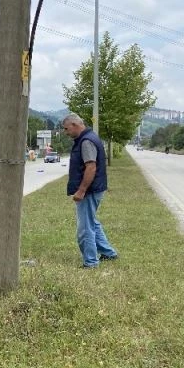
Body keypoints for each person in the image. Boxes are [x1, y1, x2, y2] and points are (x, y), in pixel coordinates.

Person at [62, 113, 118, 268]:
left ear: (75, 125)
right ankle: (108, 252)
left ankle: (91, 262)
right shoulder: (89, 137)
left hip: (89, 191)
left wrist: (81, 190)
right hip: (94, 189)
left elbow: (91, 167)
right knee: (92, 223)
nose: (66, 133)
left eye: (67, 129)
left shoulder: (86, 141)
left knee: (85, 229)